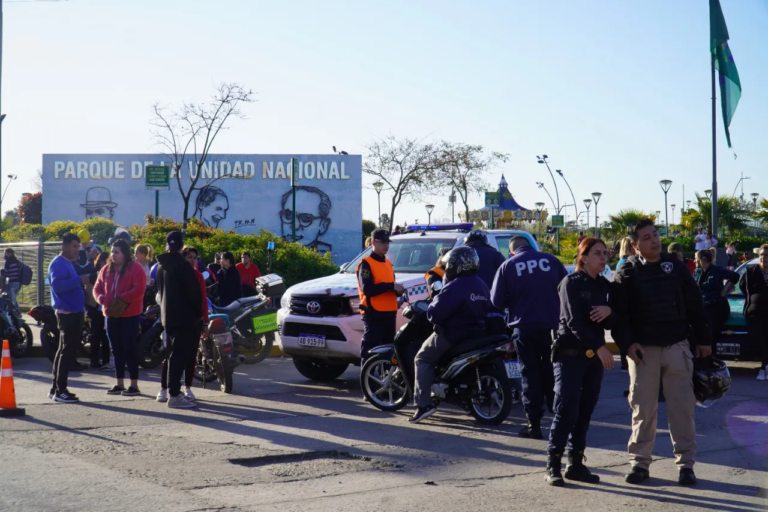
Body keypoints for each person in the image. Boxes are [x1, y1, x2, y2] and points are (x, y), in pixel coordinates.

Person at [610, 219, 711, 486]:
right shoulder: (627, 272)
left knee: (682, 410)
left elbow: (695, 304)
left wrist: (703, 340)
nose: (655, 240)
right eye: (647, 237)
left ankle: (686, 465)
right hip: (643, 352)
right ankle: (639, 464)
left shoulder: (675, 266)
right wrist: (628, 344)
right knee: (643, 410)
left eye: (655, 234)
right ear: (635, 245)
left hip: (677, 346)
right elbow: (618, 317)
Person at [546, 238, 615, 486]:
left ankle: (575, 464)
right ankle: (553, 465)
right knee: (566, 411)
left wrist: (610, 311)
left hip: (592, 360)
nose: (603, 257)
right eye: (597, 253)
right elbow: (573, 321)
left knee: (585, 412)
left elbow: (616, 317)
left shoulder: (604, 285)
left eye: (605, 253)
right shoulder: (570, 283)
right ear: (583, 258)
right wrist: (600, 348)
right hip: (570, 356)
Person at [491, 236, 568, 438]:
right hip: (553, 327)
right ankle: (560, 415)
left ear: (512, 252)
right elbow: (567, 289)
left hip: (524, 328)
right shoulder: (551, 260)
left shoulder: (508, 266)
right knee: (554, 370)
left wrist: (515, 300)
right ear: (531, 246)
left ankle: (534, 424)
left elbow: (497, 301)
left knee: (530, 374)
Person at [411, 246, 490, 423]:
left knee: (422, 359)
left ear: (456, 264)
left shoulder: (454, 286)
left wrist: (432, 306)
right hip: (478, 333)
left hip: (453, 334)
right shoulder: (481, 284)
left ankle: (423, 405)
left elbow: (435, 314)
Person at [156, 231, 203, 409]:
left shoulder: (161, 267)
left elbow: (160, 292)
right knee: (179, 357)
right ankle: (174, 394)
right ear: (181, 246)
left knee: (172, 356)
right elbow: (194, 294)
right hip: (184, 318)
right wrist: (198, 314)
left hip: (167, 317)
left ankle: (170, 391)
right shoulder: (184, 267)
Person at [94, 239, 147, 396]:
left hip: (130, 314)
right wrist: (103, 299)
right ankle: (119, 383)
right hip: (110, 314)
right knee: (116, 349)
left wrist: (121, 299)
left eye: (116, 252)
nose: (113, 254)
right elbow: (97, 288)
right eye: (112, 251)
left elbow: (139, 289)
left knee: (129, 348)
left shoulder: (136, 268)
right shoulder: (106, 269)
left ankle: (134, 385)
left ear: (125, 254)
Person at [48, 233, 89, 403]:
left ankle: (55, 388)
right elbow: (57, 285)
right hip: (67, 313)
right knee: (67, 352)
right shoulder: (58, 263)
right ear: (64, 246)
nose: (77, 250)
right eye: (74, 246)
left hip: (73, 312)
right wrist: (79, 280)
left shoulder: (67, 263)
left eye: (78, 246)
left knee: (63, 350)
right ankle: (61, 390)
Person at [356, 229, 404, 362]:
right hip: (373, 313)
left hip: (389, 313)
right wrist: (391, 287)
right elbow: (368, 289)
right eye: (382, 242)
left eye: (387, 242)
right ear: (373, 242)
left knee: (388, 352)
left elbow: (388, 285)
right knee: (370, 352)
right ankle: (368, 375)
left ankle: (384, 375)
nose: (386, 245)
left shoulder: (388, 264)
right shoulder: (366, 263)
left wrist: (398, 290)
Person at [695, 249, 737, 353]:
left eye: (696, 259)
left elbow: (735, 276)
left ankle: (710, 353)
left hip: (717, 305)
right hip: (703, 306)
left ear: (703, 259)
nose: (694, 261)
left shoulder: (717, 270)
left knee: (710, 326)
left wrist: (725, 290)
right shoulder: (697, 272)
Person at [739, 244, 768, 381]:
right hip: (755, 313)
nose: (763, 257)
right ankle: (764, 366)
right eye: (761, 255)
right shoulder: (751, 272)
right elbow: (743, 287)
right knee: (760, 340)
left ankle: (763, 367)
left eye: (766, 255)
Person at [86, 252, 111, 370]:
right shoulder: (93, 275)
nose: (104, 262)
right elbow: (89, 292)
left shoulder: (112, 274)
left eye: (106, 260)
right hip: (95, 308)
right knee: (96, 335)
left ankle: (106, 361)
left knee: (106, 336)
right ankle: (94, 360)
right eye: (102, 260)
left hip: (106, 308)